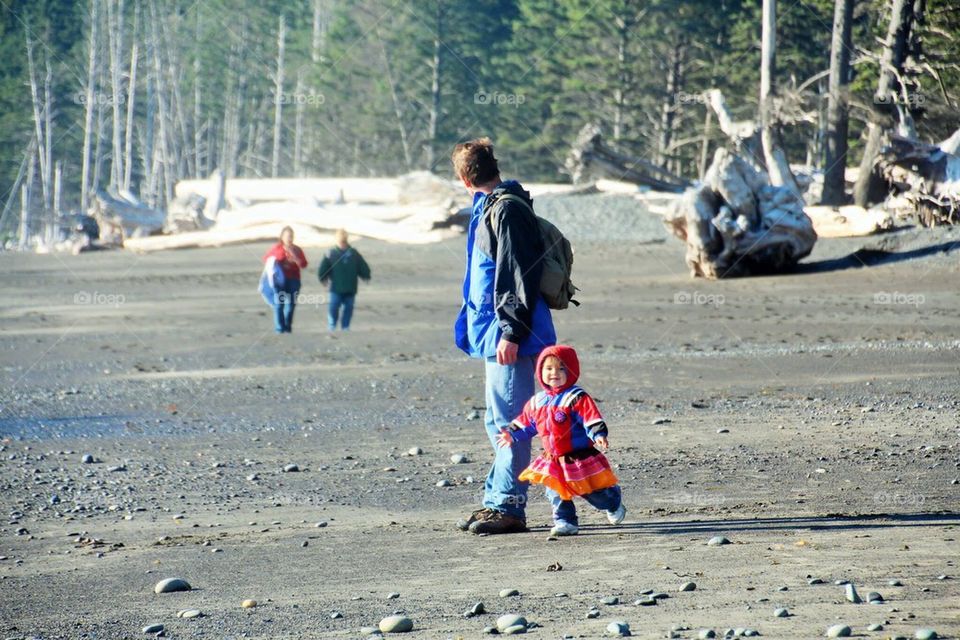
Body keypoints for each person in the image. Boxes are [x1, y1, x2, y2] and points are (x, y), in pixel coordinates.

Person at [452, 137, 557, 535]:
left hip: (512, 332)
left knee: (512, 421)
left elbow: (517, 273)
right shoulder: (495, 206)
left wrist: (511, 331)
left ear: (464, 178)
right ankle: (498, 499)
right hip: (496, 331)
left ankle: (509, 506)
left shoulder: (507, 209)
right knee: (499, 420)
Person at [498, 344, 626, 536]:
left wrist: (598, 434)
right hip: (553, 458)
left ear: (572, 370)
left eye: (561, 368)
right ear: (540, 371)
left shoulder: (576, 397)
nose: (554, 373)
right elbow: (527, 423)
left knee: (590, 491)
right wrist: (511, 434)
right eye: (548, 368)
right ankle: (565, 521)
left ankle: (612, 500)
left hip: (578, 457)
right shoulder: (537, 401)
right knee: (556, 490)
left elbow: (590, 417)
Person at [318, 229, 371, 331]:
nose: (342, 242)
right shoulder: (331, 253)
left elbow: (362, 266)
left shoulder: (353, 253)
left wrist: (366, 275)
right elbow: (324, 267)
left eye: (343, 240)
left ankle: (345, 326)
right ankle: (332, 325)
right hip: (336, 287)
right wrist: (322, 277)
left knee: (349, 308)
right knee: (334, 306)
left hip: (350, 287)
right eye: (340, 240)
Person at [262, 226, 308, 333]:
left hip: (294, 279)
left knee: (291, 305)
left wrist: (297, 259)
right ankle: (279, 328)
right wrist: (278, 260)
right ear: (282, 237)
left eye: (291, 236)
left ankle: (287, 327)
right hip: (279, 281)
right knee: (279, 304)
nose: (289, 238)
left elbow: (304, 264)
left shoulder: (297, 249)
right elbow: (266, 259)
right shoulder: (277, 248)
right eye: (287, 236)